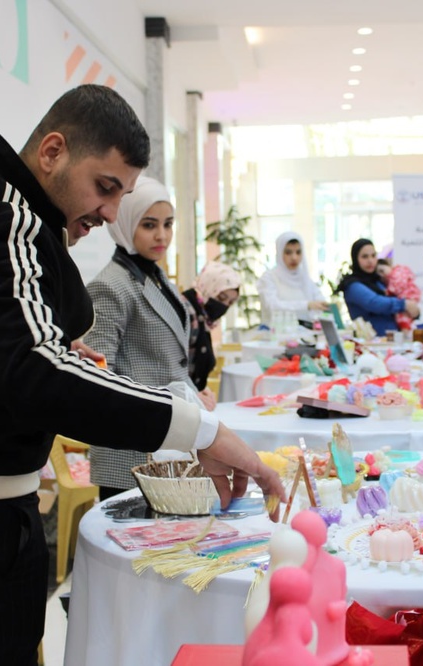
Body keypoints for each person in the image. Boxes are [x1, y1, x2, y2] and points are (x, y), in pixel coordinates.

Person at [0, 84, 286, 665]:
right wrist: (202, 431)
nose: (111, 212)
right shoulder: (1, 217)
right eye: (104, 187)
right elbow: (35, 376)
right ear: (53, 152)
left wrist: (56, 347)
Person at [84, 175, 214, 498]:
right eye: (149, 225)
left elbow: (170, 361)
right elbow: (100, 377)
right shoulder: (111, 286)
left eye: (168, 224)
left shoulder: (155, 277)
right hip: (131, 453)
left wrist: (193, 395)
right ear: (125, 224)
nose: (162, 235)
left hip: (165, 445)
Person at [337, 239, 419, 336]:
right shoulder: (352, 285)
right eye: (364, 256)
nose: (370, 261)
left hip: (391, 341)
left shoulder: (378, 281)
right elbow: (374, 303)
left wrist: (413, 309)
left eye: (373, 255)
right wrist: (404, 304)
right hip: (369, 344)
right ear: (355, 258)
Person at [182, 261, 242, 393]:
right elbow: (174, 368)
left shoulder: (202, 317)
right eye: (221, 298)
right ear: (209, 287)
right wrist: (193, 394)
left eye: (230, 302)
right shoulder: (186, 312)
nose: (224, 306)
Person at [256, 231, 329, 325]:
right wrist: (307, 305)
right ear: (279, 252)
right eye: (288, 252)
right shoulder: (269, 278)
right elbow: (272, 306)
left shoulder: (305, 279)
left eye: (298, 252)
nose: (294, 257)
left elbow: (318, 299)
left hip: (305, 335)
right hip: (276, 334)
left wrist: (324, 305)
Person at [375, 258, 421, 331]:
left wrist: (388, 292)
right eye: (379, 275)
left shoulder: (397, 274)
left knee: (402, 319)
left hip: (408, 295)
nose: (382, 275)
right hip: (408, 297)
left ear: (388, 265)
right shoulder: (397, 273)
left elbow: (398, 286)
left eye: (382, 270)